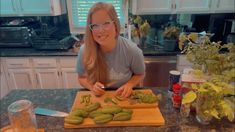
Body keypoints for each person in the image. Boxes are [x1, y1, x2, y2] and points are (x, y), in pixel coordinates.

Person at [76, 2, 145, 98]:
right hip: (98, 99)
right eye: (95, 25)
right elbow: (81, 78)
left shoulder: (132, 50)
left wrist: (129, 85)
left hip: (124, 98)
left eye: (106, 23)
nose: (101, 30)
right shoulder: (84, 51)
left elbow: (140, 74)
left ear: (115, 25)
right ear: (90, 29)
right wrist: (92, 87)